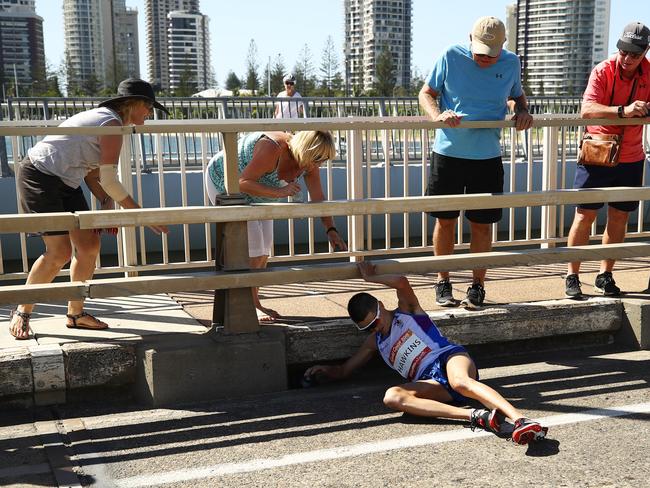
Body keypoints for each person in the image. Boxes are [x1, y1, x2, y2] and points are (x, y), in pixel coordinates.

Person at [304, 261, 547, 445]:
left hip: (448, 357)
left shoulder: (407, 312)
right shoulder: (374, 343)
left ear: (380, 307)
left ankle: (520, 420)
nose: (375, 328)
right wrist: (327, 370)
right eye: (367, 328)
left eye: (375, 321)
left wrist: (370, 277)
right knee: (392, 397)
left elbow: (401, 281)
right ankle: (476, 416)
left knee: (460, 382)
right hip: (430, 381)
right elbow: (345, 370)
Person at [9, 78, 170, 340]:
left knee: (89, 246)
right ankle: (22, 312)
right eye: (149, 107)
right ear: (136, 104)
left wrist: (106, 204)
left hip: (66, 180)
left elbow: (94, 175)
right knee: (59, 251)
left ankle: (75, 314)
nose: (150, 114)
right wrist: (140, 215)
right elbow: (108, 179)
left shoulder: (109, 122)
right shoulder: (111, 124)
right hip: (39, 175)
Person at [418, 16, 533, 309]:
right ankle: (443, 281)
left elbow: (517, 97)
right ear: (470, 39)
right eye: (480, 53)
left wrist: (521, 111)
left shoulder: (510, 63)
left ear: (503, 47)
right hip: (448, 153)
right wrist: (437, 116)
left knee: (482, 226)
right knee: (445, 222)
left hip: (487, 156)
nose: (484, 59)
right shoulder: (450, 55)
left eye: (490, 54)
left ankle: (477, 285)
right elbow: (426, 93)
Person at [204, 130, 347, 322]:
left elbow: (318, 197)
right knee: (253, 248)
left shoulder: (309, 163)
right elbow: (241, 182)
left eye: (324, 160)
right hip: (225, 182)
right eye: (318, 158)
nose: (319, 164)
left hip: (260, 193)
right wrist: (280, 192)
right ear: (307, 150)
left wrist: (331, 229)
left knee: (263, 251)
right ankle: (251, 306)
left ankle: (254, 302)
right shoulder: (273, 147)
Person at [565, 22, 650, 299]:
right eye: (623, 51)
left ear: (645, 52)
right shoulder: (603, 69)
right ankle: (572, 275)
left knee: (619, 217)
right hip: (598, 152)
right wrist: (623, 111)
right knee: (584, 215)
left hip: (632, 156)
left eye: (634, 54)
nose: (626, 58)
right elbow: (587, 110)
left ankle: (605, 274)